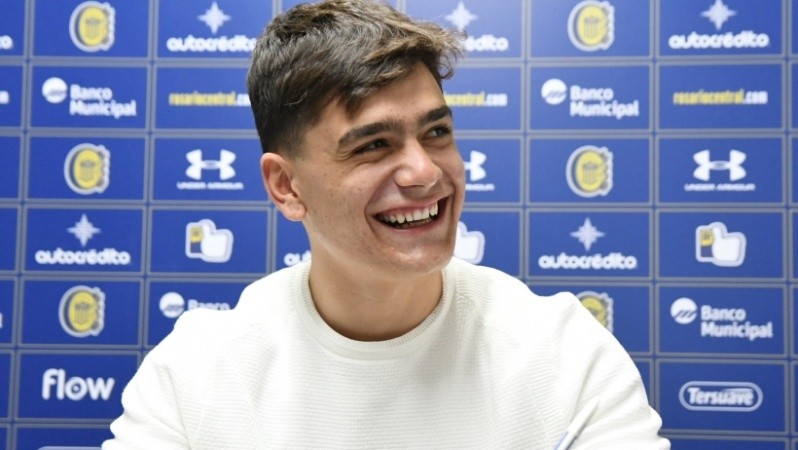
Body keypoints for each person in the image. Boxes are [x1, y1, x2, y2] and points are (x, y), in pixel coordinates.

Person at [104, 0, 669, 448]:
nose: (425, 172)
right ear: (286, 186)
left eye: (436, 133)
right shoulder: (195, 375)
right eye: (373, 145)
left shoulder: (566, 358)